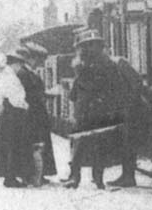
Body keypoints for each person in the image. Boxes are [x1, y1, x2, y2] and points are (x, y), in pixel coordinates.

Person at [63, 28, 133, 189]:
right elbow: (75, 91)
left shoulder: (108, 66)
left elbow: (117, 88)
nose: (90, 49)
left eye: (93, 45)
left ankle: (96, 178)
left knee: (98, 146)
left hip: (99, 111)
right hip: (85, 111)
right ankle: (76, 177)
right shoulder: (81, 67)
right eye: (87, 46)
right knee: (80, 145)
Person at [0, 49, 34, 188]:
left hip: (7, 112)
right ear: (15, 64)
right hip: (14, 113)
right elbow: (16, 98)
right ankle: (10, 177)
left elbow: (0, 95)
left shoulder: (4, 75)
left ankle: (9, 175)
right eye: (19, 65)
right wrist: (26, 106)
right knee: (13, 145)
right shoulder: (11, 78)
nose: (20, 68)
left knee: (8, 144)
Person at [20, 42, 58, 185]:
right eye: (38, 60)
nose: (39, 64)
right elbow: (30, 94)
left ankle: (39, 174)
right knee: (36, 144)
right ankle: (34, 175)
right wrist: (46, 94)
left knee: (39, 143)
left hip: (37, 114)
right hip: (33, 115)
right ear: (31, 59)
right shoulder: (25, 74)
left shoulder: (30, 73)